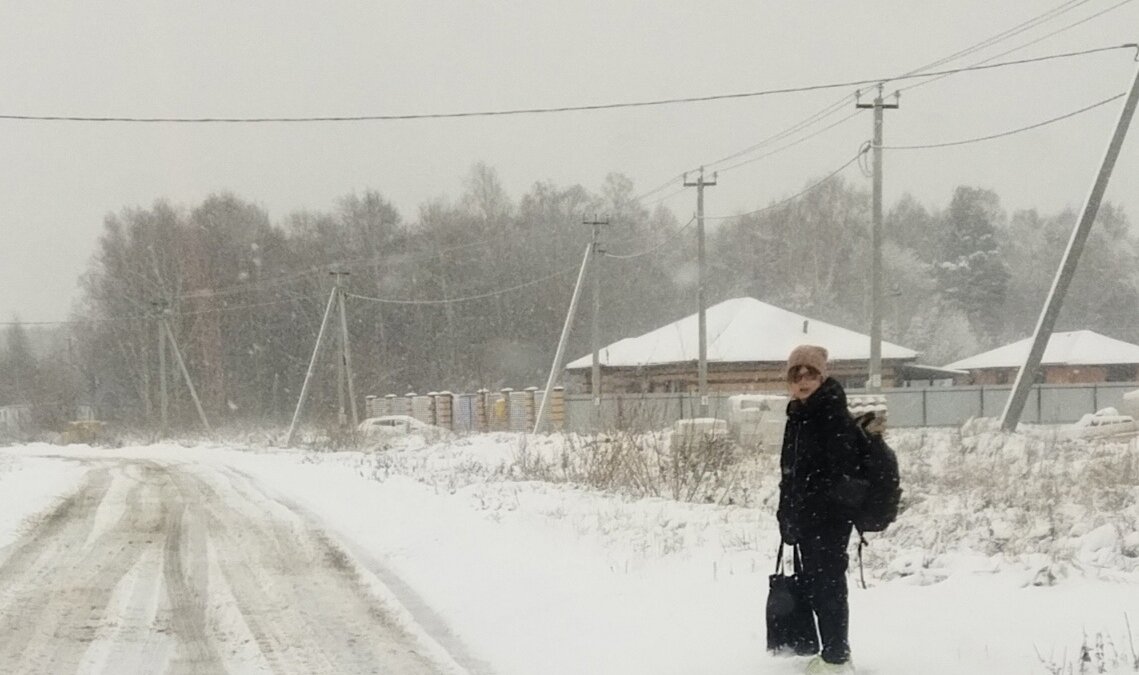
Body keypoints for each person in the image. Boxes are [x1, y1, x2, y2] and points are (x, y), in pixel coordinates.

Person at [776, 345, 865, 674]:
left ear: (821, 376)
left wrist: (815, 508)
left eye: (809, 373)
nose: (802, 380)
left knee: (828, 585)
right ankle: (834, 651)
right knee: (818, 584)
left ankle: (837, 658)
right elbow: (790, 472)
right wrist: (786, 512)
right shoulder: (797, 415)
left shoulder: (831, 414)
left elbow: (837, 472)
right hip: (806, 516)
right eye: (795, 374)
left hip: (828, 518)